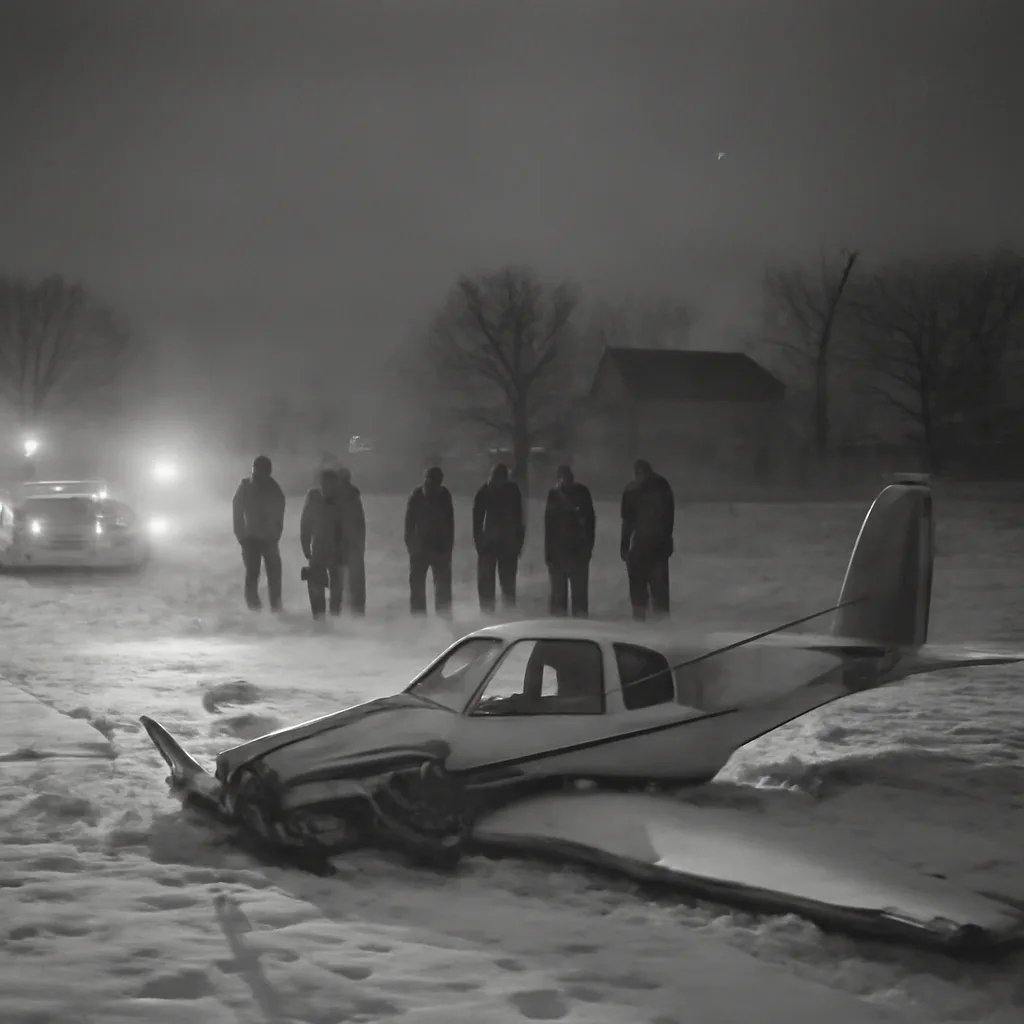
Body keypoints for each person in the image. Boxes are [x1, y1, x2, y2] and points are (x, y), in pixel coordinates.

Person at [620, 458, 675, 619]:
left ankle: (647, 628)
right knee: (651, 595)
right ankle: (652, 628)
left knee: (647, 594)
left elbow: (628, 522)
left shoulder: (634, 489)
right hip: (650, 547)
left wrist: (624, 546)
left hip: (648, 547)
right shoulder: (660, 486)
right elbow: (668, 518)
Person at [232, 455, 286, 612]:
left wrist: (275, 535)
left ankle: (275, 606)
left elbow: (279, 514)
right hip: (250, 539)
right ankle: (255, 609)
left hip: (268, 538)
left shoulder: (273, 489)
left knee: (273, 573)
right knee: (253, 574)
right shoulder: (246, 487)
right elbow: (237, 512)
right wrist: (241, 535)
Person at [472, 462, 525, 612]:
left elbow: (519, 518)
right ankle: (487, 614)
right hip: (488, 545)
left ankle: (508, 614)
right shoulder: (483, 492)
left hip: (508, 545)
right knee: (486, 585)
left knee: (508, 584)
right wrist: (480, 545)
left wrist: (518, 543)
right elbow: (476, 523)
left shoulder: (513, 491)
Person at [543, 464, 595, 617]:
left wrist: (588, 547)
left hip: (578, 550)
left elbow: (590, 522)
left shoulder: (582, 493)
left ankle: (579, 628)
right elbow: (549, 527)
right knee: (558, 598)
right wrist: (548, 553)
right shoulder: (553, 495)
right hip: (559, 552)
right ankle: (558, 629)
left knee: (579, 597)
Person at [405, 466, 455, 615]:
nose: (431, 486)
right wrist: (411, 547)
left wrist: (448, 549)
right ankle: (418, 620)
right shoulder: (417, 495)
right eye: (429, 481)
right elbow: (409, 524)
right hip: (420, 547)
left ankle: (444, 618)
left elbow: (450, 524)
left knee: (443, 588)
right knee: (417, 587)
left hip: (440, 547)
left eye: (434, 483)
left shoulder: (445, 495)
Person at [299, 468, 348, 619]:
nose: (328, 488)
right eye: (325, 484)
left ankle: (335, 614)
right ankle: (318, 615)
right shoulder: (313, 497)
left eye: (331, 484)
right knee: (315, 581)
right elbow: (305, 523)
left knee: (337, 585)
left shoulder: (343, 499)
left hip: (338, 547)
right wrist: (306, 547)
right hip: (319, 546)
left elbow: (351, 525)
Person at [336, 466, 367, 615]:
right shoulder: (352, 494)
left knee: (348, 580)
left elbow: (359, 522)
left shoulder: (348, 495)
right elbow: (360, 523)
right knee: (353, 581)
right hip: (349, 543)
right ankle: (354, 610)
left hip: (347, 543)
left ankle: (349, 609)